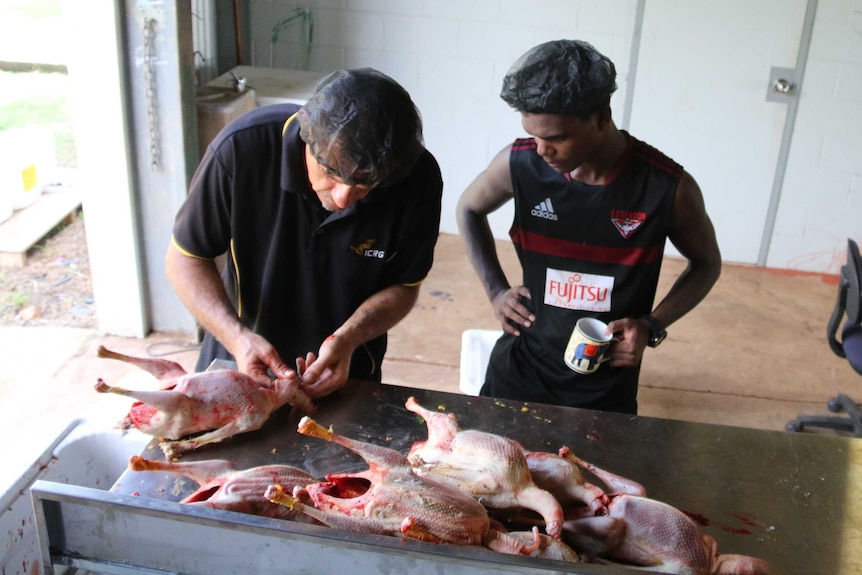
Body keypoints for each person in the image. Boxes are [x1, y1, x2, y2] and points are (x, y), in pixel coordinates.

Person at [456, 40, 721, 414]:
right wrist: (497, 291)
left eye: (557, 138)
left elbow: (707, 263)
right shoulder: (519, 164)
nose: (542, 149)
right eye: (534, 135)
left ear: (600, 117)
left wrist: (652, 325)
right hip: (520, 368)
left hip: (604, 387)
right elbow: (468, 208)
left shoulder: (666, 188)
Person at [166, 68, 443, 400]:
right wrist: (237, 338)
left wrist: (348, 339)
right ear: (306, 138)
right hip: (236, 358)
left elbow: (405, 284)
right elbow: (186, 258)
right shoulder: (242, 149)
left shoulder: (416, 179)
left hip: (345, 370)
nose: (342, 198)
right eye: (330, 172)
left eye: (366, 186)